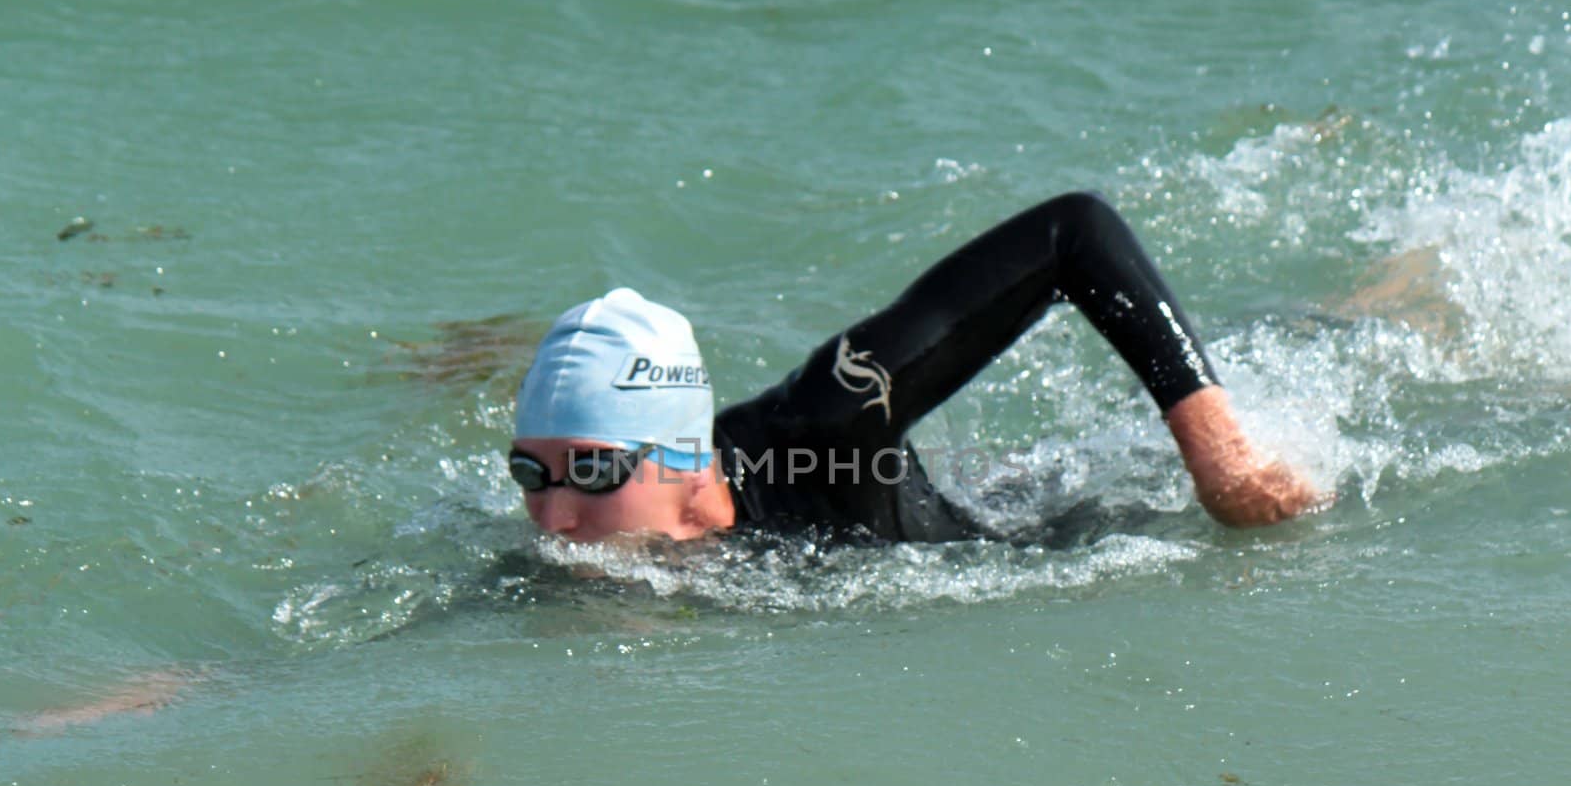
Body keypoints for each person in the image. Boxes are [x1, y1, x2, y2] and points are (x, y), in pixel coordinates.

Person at [508, 191, 1323, 544]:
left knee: (1321, 335)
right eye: (530, 475)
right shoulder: (578, 559)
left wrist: (1223, 458)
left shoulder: (822, 425)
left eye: (591, 471)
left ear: (684, 458)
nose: (554, 521)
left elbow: (1072, 234)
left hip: (1068, 528)